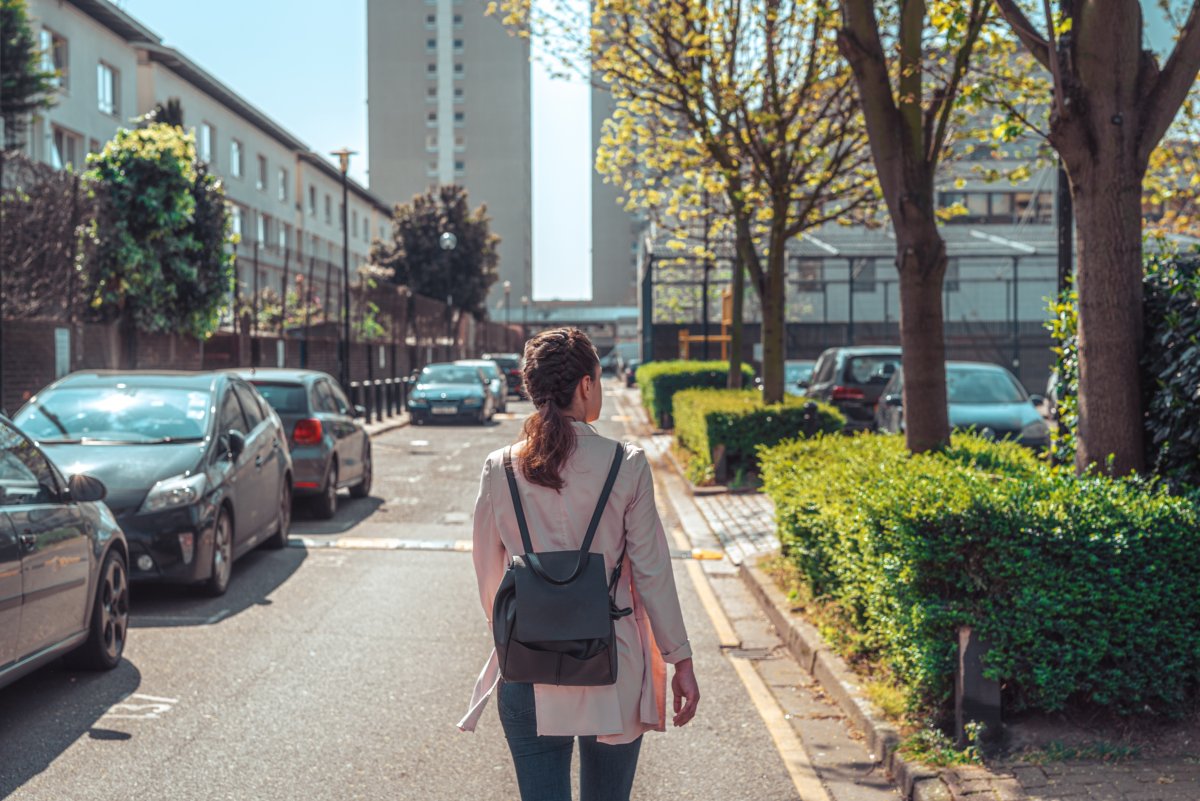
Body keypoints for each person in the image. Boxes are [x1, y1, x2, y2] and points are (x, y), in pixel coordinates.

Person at [459, 327, 699, 801]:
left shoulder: (499, 466)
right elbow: (652, 573)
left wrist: (527, 626)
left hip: (527, 667)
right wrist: (681, 659)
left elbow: (489, 578)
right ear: (586, 385)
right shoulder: (625, 463)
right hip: (611, 665)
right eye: (599, 379)